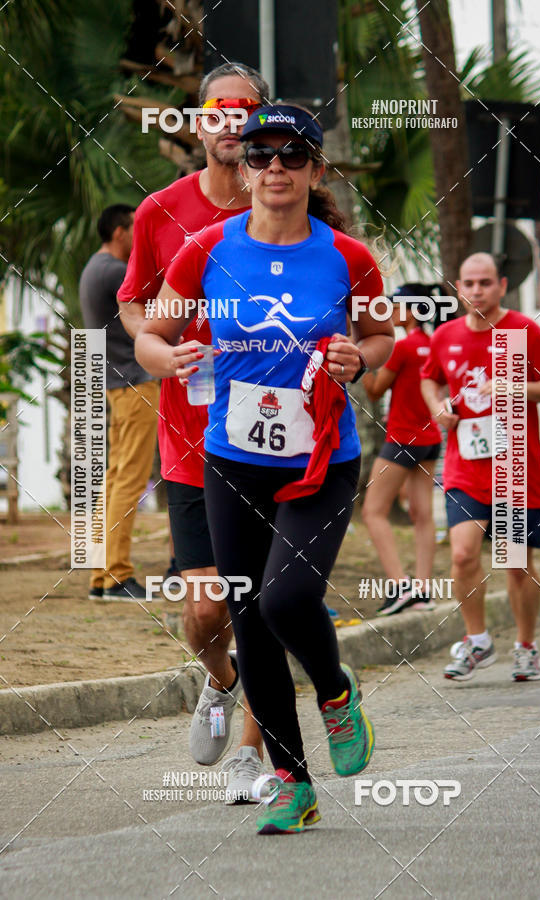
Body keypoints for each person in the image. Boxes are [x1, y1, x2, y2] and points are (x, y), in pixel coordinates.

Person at [135, 103, 394, 834]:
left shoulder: (349, 256)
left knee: (284, 602)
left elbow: (380, 339)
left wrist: (358, 358)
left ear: (315, 170)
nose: (274, 167)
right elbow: (153, 333)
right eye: (261, 155)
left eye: (291, 154)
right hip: (233, 462)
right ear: (243, 169)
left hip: (321, 460)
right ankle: (293, 782)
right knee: (249, 619)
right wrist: (171, 356)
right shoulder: (205, 249)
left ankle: (337, 693)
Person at [118, 63, 267, 798]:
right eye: (217, 110)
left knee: (262, 601)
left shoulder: (285, 204)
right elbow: (133, 305)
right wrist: (159, 345)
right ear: (198, 121)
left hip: (275, 433)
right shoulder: (159, 212)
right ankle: (220, 678)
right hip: (190, 435)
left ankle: (251, 753)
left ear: (263, 119)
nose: (231, 121)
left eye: (245, 110)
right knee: (208, 609)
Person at [421, 253, 540, 682]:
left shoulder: (524, 330)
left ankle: (526, 646)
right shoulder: (445, 335)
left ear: (502, 285)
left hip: (515, 467)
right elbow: (430, 378)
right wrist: (438, 407)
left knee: (515, 561)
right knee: (464, 553)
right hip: (465, 464)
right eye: (468, 283)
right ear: (459, 287)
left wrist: (510, 385)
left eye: (485, 282)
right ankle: (478, 642)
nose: (476, 291)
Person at [79, 204, 160, 601]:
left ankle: (101, 575)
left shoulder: (93, 268)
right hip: (135, 385)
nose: (139, 235)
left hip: (116, 384)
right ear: (118, 232)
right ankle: (117, 575)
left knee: (114, 481)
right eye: (135, 228)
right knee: (130, 480)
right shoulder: (114, 272)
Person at [361, 289, 442, 615]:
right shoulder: (433, 342)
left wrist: (363, 360)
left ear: (409, 311)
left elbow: (375, 389)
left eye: (392, 307)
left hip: (404, 438)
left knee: (372, 511)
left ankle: (399, 585)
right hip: (431, 437)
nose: (387, 312)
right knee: (423, 515)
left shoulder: (403, 346)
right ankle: (423, 590)